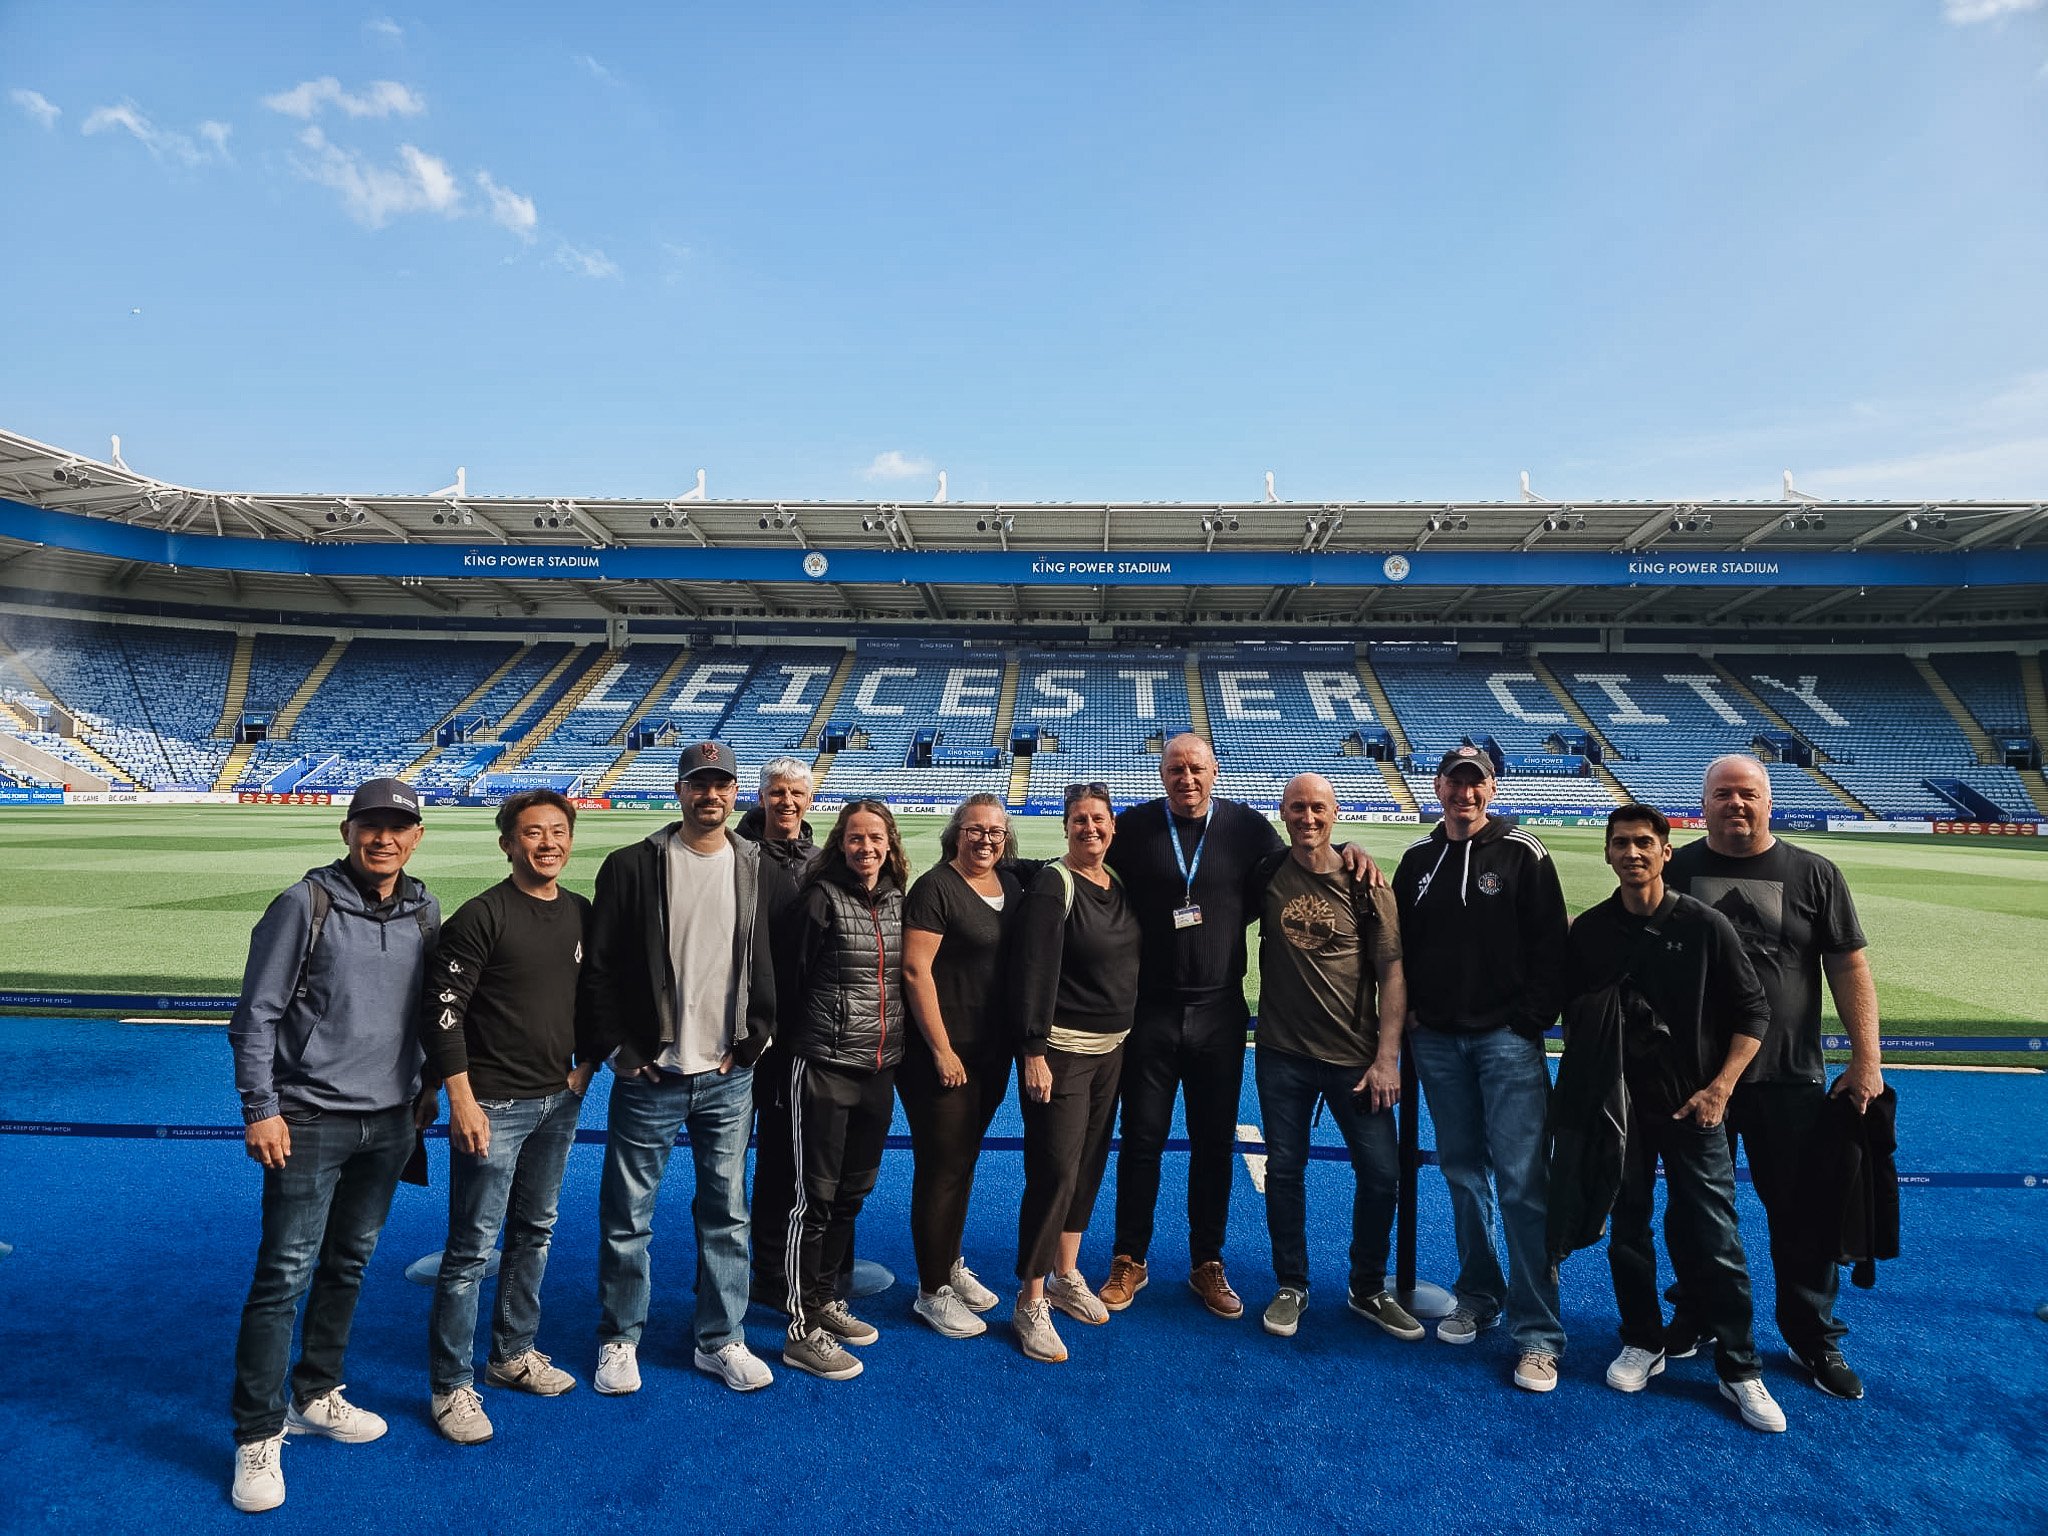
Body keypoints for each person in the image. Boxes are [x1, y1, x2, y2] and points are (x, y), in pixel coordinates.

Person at [1100, 734, 1373, 1319]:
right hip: (1149, 1010)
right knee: (1142, 1140)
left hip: (1221, 1011)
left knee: (1213, 1143)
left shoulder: (1249, 829)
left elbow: (1304, 859)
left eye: (1196, 768)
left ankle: (1207, 1261)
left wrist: (1351, 847)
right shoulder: (1135, 827)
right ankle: (1130, 1257)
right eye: (1175, 768)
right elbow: (1086, 869)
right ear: (1163, 773)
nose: (1186, 778)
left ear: (1215, 772)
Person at [226, 778, 440, 1514]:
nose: (384, 839)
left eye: (397, 828)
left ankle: (317, 1392)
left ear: (416, 837)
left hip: (390, 1123)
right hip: (309, 1118)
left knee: (348, 1264)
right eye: (370, 826)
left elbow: (426, 1013)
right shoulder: (304, 904)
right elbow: (255, 1016)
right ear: (348, 832)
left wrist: (427, 1086)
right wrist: (261, 1107)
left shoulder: (424, 909)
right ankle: (257, 1432)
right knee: (283, 1273)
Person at [1664, 754, 1883, 1401]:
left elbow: (1849, 967)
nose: (1737, 804)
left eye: (1749, 794)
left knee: (1802, 1212)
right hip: (1696, 1079)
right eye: (1724, 794)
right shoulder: (1673, 871)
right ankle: (1699, 1313)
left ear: (1769, 802)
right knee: (1695, 1209)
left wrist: (1866, 1059)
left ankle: (1811, 1333)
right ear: (1701, 804)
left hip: (1789, 1077)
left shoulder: (1814, 874)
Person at [1566, 804, 1787, 1433]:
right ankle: (1642, 1338)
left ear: (1667, 852)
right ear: (1607, 855)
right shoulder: (1591, 932)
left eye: (1644, 844)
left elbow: (1753, 1013)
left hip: (1696, 1107)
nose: (1632, 854)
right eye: (1620, 844)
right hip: (1621, 1110)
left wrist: (1720, 1089)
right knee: (1627, 1227)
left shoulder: (1705, 925)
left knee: (1715, 1235)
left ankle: (1740, 1367)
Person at [579, 741, 787, 1397]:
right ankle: (620, 1338)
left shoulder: (756, 866)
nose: (711, 795)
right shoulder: (633, 866)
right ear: (680, 790)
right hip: (652, 1076)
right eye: (699, 783)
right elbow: (600, 971)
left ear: (735, 794)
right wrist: (619, 1049)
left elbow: (774, 963)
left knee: (727, 1213)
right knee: (627, 1216)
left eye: (722, 784)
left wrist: (755, 1041)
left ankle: (721, 1339)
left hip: (729, 1076)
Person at [1391, 745, 1569, 1393]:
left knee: (1523, 1182)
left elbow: (1552, 944)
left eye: (1477, 782)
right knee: (1463, 1173)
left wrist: (1528, 1020)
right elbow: (1398, 951)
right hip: (1437, 1042)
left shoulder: (1523, 852)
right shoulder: (1415, 862)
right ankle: (1479, 1293)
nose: (1465, 793)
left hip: (1506, 1041)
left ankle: (1540, 1334)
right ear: (1438, 786)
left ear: (1491, 788)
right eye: (1455, 781)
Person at [422, 789, 593, 1444]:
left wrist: (588, 1066)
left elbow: (599, 997)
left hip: (557, 1099)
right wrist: (460, 1098)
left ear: (570, 840)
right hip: (492, 1105)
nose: (546, 843)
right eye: (532, 833)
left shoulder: (581, 913)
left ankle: (510, 1356)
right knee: (470, 1250)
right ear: (507, 844)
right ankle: (450, 1386)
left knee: (536, 1230)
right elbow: (443, 1014)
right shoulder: (482, 916)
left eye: (557, 831)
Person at [1250, 773, 1420, 1344]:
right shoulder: (1269, 872)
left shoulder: (1367, 882)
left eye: (1318, 807)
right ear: (1282, 813)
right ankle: (1291, 1283)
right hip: (1281, 1054)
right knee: (1285, 1171)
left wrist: (1387, 1057)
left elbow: (1393, 971)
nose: (1307, 817)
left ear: (1335, 811)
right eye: (1296, 807)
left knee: (1381, 1174)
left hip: (1356, 1059)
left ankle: (1367, 1287)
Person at [777, 800, 910, 1381]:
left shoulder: (900, 900)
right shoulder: (819, 899)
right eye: (856, 838)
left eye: (875, 837)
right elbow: (788, 983)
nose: (867, 848)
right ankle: (801, 1326)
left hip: (880, 1068)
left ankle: (828, 1299)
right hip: (825, 1067)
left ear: (890, 843)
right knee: (815, 1200)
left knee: (854, 1192)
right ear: (841, 843)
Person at [1011, 783, 1141, 1362]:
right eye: (1080, 819)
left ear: (1114, 825)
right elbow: (1033, 969)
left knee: (1087, 1166)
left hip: (1111, 1050)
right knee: (1054, 1171)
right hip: (1059, 1052)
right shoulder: (1053, 883)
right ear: (1065, 827)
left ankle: (1066, 1274)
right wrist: (1032, 1051)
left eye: (1100, 819)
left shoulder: (1118, 883)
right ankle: (1031, 1298)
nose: (1091, 828)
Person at [899, 793, 1023, 1338]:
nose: (986, 839)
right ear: (957, 833)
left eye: (995, 831)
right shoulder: (935, 888)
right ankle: (931, 1291)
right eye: (975, 830)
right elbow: (914, 971)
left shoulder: (1011, 886)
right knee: (941, 1167)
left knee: (963, 1162)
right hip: (941, 1056)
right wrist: (942, 1049)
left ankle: (948, 1262)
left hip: (990, 1054)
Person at [736, 756, 822, 1311]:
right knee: (724, 1161)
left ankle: (773, 1267)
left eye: (797, 793)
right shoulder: (733, 855)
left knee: (787, 1155)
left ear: (809, 801)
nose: (787, 802)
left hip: (803, 1035)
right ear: (761, 797)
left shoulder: (820, 860)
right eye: (777, 793)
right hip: (742, 1031)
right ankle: (722, 1275)